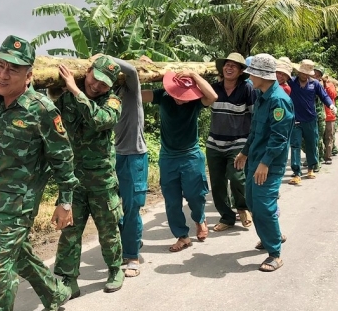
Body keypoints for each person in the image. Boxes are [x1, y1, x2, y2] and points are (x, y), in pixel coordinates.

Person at [0, 35, 76, 311]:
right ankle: (55, 293)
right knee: (19, 256)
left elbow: (63, 158)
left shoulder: (42, 110)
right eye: (0, 65)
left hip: (19, 205)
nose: (2, 74)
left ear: (29, 75)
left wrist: (65, 202)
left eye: (13, 69)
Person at [53, 55, 125, 297]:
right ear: (88, 71)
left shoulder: (112, 101)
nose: (96, 86)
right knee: (70, 232)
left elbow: (99, 119)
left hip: (101, 180)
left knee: (107, 229)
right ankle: (67, 279)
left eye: (103, 84)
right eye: (95, 79)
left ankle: (115, 269)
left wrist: (75, 89)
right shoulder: (66, 98)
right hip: (73, 179)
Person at [142, 70, 218, 252]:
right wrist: (143, 73)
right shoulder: (163, 96)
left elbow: (213, 96)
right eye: (177, 94)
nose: (180, 99)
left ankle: (199, 219)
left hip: (191, 155)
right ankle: (182, 236)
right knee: (172, 200)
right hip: (168, 157)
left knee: (196, 195)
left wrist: (194, 75)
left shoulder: (196, 102)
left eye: (184, 96)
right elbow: (137, 95)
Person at [234, 53, 294, 272]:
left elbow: (280, 137)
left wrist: (265, 163)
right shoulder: (262, 96)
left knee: (263, 207)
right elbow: (256, 130)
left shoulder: (278, 100)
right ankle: (272, 234)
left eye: (252, 73)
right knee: (251, 201)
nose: (249, 76)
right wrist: (244, 152)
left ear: (263, 76)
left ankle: (274, 253)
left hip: (269, 163)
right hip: (256, 160)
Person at [109, 54, 151, 278]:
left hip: (135, 156)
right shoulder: (108, 94)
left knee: (132, 207)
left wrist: (104, 56)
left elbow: (132, 71)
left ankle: (132, 256)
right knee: (114, 208)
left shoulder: (132, 91)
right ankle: (131, 240)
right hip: (115, 156)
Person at [205, 52, 256, 232]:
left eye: (234, 66)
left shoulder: (247, 89)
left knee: (236, 178)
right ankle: (227, 217)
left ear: (241, 71)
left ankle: (242, 208)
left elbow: (255, 115)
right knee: (217, 183)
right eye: (227, 64)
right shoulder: (214, 89)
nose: (229, 68)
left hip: (238, 142)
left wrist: (252, 141)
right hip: (214, 143)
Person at [288, 59, 336, 185]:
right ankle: (297, 173)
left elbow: (324, 96)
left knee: (311, 144)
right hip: (295, 120)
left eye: (307, 73)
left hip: (310, 120)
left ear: (310, 74)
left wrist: (331, 105)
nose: (304, 75)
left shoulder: (314, 84)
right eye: (302, 73)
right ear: (298, 72)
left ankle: (310, 168)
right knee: (295, 146)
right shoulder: (291, 82)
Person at [315, 69, 338, 164]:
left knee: (328, 137)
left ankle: (328, 157)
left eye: (318, 74)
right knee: (317, 137)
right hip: (317, 116)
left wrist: (325, 85)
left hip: (329, 115)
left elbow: (333, 95)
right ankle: (316, 157)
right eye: (314, 73)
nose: (315, 75)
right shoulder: (311, 83)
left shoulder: (329, 84)